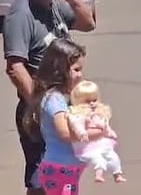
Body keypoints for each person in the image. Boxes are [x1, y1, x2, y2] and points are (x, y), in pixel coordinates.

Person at [3, 0, 96, 195]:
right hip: (38, 109)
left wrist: (74, 0)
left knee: (60, 172)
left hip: (61, 105)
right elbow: (15, 67)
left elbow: (89, 24)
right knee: (41, 178)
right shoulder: (21, 13)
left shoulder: (56, 5)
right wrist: (40, 108)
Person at [23, 38, 92, 195]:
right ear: (60, 70)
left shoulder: (60, 97)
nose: (80, 75)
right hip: (60, 170)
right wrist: (91, 133)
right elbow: (65, 133)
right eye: (76, 70)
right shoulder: (54, 100)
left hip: (65, 169)